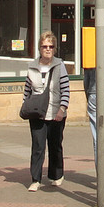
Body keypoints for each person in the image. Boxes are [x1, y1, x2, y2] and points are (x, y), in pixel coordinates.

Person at [21, 31, 70, 191]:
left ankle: (56, 175)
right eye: (44, 46)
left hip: (56, 112)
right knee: (38, 146)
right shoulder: (32, 67)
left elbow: (65, 90)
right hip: (37, 112)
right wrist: (26, 108)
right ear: (39, 48)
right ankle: (35, 179)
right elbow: (27, 91)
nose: (47, 49)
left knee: (55, 145)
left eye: (51, 46)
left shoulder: (60, 66)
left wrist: (62, 109)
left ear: (55, 49)